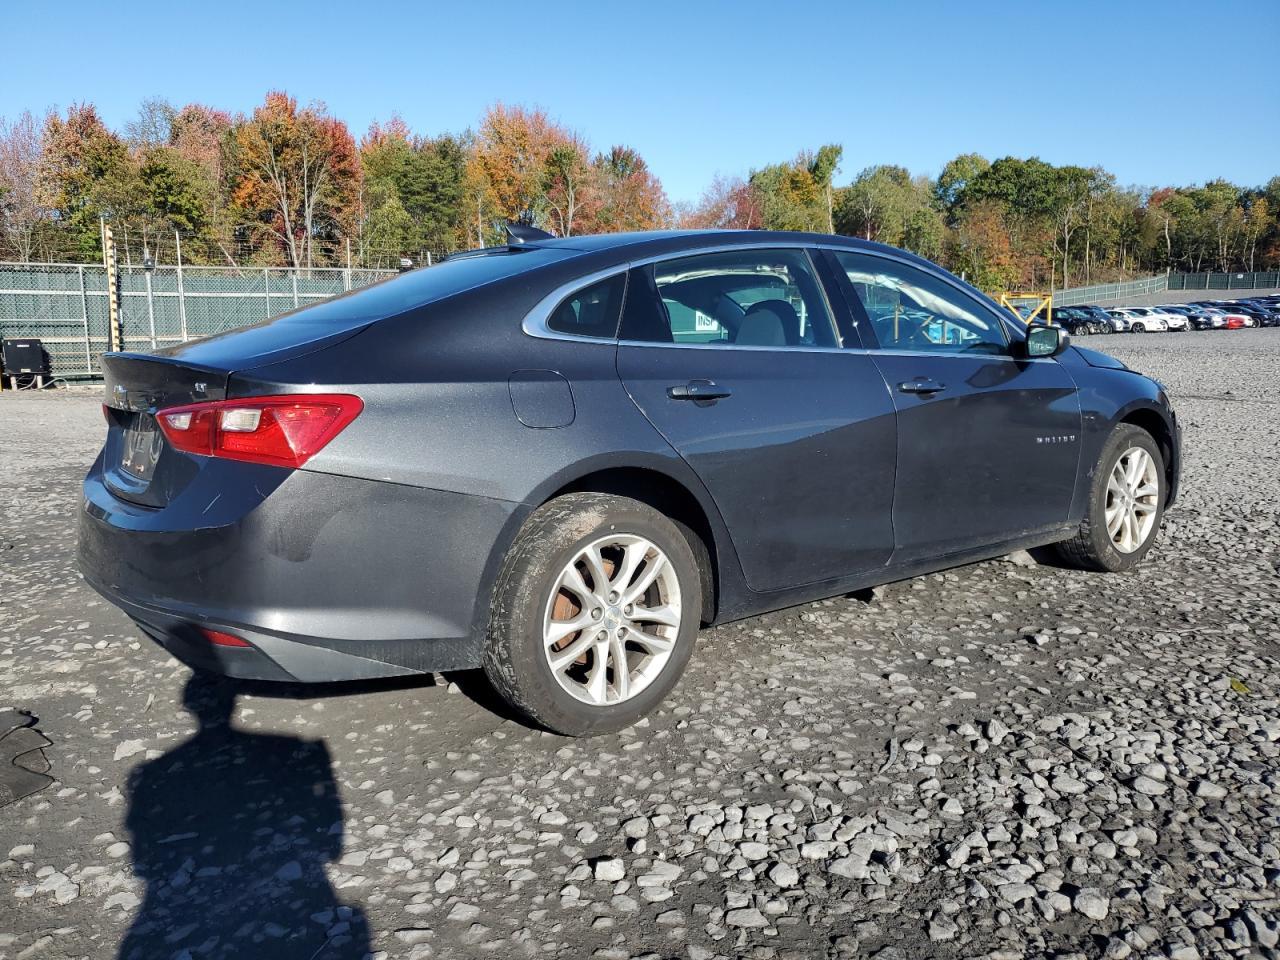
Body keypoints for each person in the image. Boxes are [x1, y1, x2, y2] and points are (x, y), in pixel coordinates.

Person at [120, 673, 370, 959]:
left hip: (187, 885)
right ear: (232, 705)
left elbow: (142, 847)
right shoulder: (289, 746)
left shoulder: (152, 772)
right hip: (295, 871)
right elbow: (325, 803)